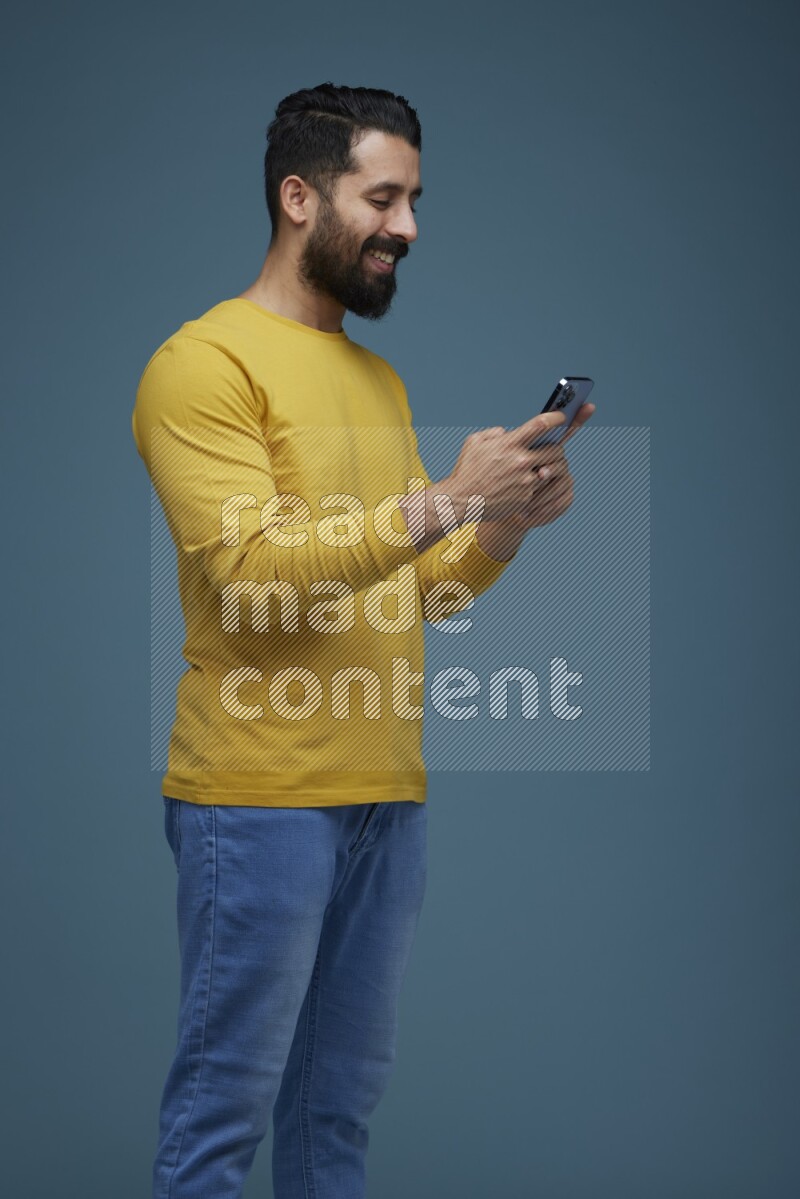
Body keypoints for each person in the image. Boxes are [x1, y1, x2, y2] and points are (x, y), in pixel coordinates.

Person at [131, 81, 594, 1199]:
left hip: (384, 796)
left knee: (332, 1121)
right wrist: (440, 499)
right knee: (220, 1117)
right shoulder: (202, 366)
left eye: (415, 200)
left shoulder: (372, 376)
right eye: (382, 197)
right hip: (257, 798)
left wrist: (496, 521)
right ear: (299, 196)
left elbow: (409, 593)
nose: (408, 228)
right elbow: (252, 580)